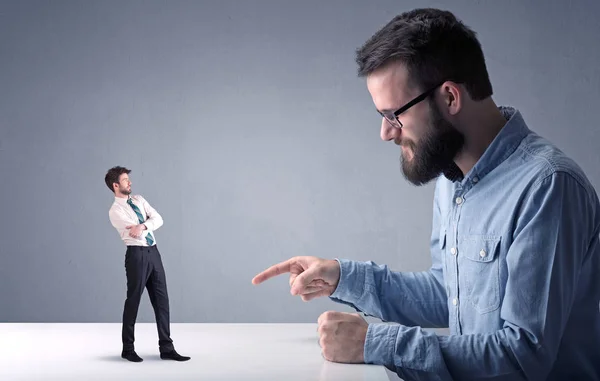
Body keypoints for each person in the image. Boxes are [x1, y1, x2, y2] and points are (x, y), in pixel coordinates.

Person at [252, 8, 600, 380]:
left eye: (394, 115)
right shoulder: (452, 177)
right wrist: (342, 276)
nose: (386, 133)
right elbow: (449, 294)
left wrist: (375, 343)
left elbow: (523, 356)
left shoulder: (548, 187)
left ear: (450, 98)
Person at [105, 166, 190, 363]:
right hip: (136, 255)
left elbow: (158, 219)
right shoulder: (115, 210)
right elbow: (132, 233)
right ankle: (128, 348)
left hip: (154, 252)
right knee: (133, 300)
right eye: (125, 180)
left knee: (162, 300)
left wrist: (142, 225)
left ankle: (166, 348)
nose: (130, 183)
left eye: (129, 179)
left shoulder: (139, 200)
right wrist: (143, 225)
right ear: (116, 185)